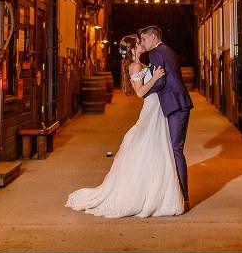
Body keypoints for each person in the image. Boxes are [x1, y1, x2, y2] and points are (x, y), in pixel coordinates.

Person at [65, 34, 185, 218]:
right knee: (148, 145)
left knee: (156, 148)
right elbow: (139, 92)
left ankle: (154, 189)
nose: (141, 43)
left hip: (156, 107)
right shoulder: (135, 66)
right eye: (138, 42)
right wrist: (154, 78)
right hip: (151, 107)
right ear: (132, 48)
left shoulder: (139, 64)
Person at [138, 25, 193, 207]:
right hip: (178, 102)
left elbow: (160, 81)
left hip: (176, 105)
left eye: (144, 39)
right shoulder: (169, 51)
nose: (142, 42)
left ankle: (183, 197)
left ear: (153, 37)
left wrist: (145, 91)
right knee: (173, 148)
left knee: (176, 150)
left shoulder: (155, 53)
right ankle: (174, 192)